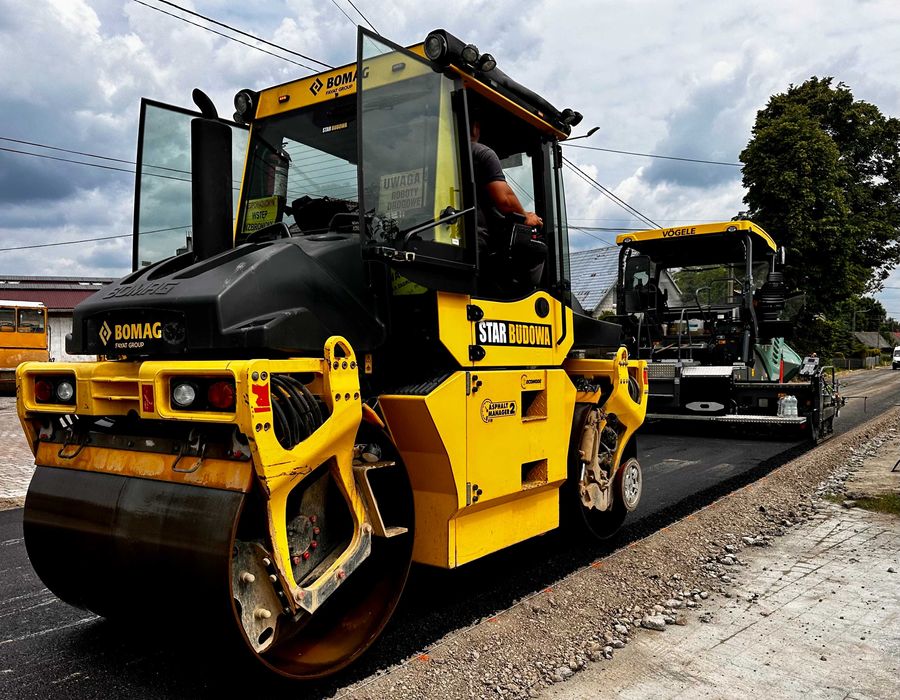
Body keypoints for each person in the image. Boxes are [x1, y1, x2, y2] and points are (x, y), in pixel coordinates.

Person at [470, 119, 542, 246]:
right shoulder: (482, 153)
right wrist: (525, 217)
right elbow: (505, 200)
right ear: (475, 128)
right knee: (537, 252)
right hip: (479, 242)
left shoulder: (443, 155)